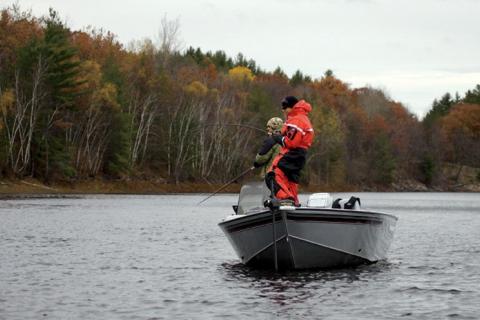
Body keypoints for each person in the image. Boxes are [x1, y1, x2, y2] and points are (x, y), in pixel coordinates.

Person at [266, 96, 314, 206]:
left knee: (272, 175)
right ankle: (294, 202)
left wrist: (277, 138)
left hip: (292, 153)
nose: (282, 110)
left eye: (285, 107)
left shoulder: (297, 119)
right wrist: (278, 134)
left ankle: (286, 199)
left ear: (292, 107)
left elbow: (291, 143)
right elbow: (287, 131)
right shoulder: (298, 117)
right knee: (290, 181)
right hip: (300, 155)